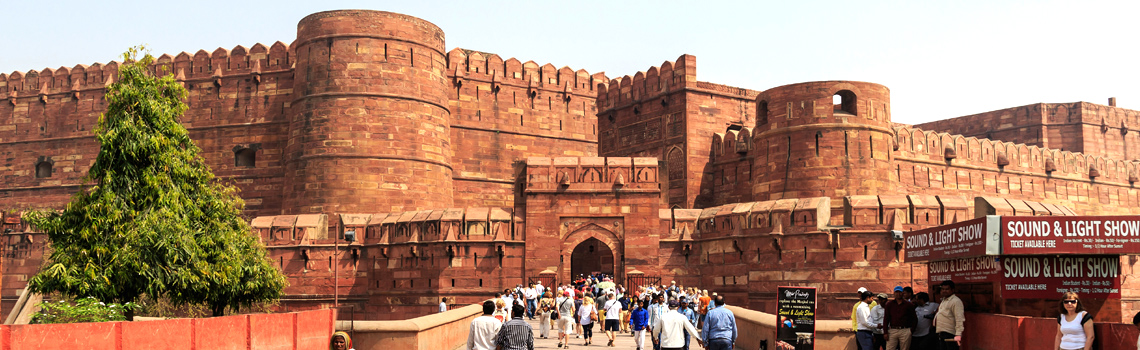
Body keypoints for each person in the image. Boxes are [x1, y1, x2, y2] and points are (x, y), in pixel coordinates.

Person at [933, 280, 964, 350]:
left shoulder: (956, 301)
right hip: (942, 333)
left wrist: (958, 334)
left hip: (950, 334)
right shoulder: (944, 300)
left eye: (947, 289)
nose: (944, 291)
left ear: (952, 290)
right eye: (943, 289)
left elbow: (959, 319)